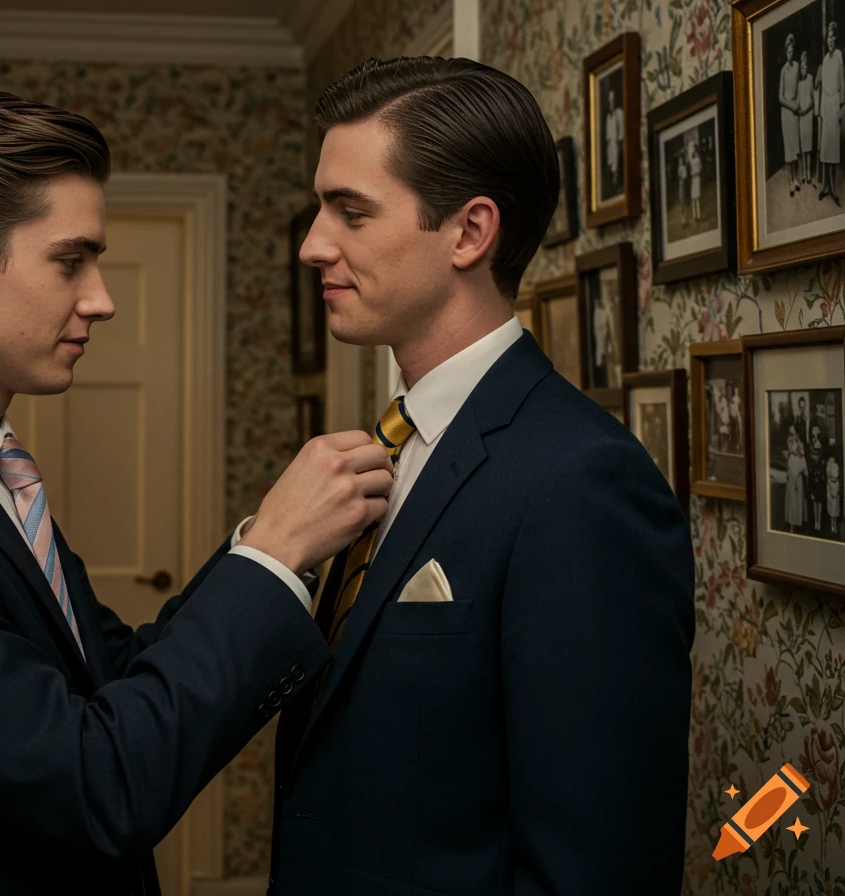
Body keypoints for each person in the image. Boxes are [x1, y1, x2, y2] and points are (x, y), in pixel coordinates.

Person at [0, 89, 397, 896]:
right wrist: (271, 557)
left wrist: (268, 544)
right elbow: (97, 786)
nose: (101, 298)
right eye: (71, 260)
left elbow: (112, 671)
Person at [269, 57, 695, 895]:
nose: (313, 244)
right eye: (322, 207)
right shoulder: (385, 447)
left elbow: (595, 867)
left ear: (469, 233)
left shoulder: (583, 483)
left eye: (351, 212)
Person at [820, 22, 844, 205]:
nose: (830, 39)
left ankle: (834, 190)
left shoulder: (838, 56)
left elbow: (842, 81)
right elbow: (821, 87)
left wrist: (842, 105)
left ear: (836, 38)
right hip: (825, 105)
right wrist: (821, 110)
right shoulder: (824, 60)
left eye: (832, 36)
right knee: (826, 148)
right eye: (828, 36)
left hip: (835, 102)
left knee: (834, 150)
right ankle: (826, 187)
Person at [781, 33, 802, 196]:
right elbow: (779, 97)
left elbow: (799, 86)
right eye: (788, 51)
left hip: (795, 109)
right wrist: (792, 105)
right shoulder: (783, 70)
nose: (790, 54)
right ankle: (789, 181)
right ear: (785, 52)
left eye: (792, 51)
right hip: (787, 111)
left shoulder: (796, 66)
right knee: (788, 147)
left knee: (795, 147)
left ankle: (796, 179)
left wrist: (799, 104)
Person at [799, 51, 816, 188]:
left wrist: (807, 109)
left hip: (808, 115)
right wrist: (799, 111)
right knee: (803, 146)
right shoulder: (798, 82)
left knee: (808, 146)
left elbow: (813, 98)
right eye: (801, 67)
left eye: (805, 67)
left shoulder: (810, 78)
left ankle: (809, 173)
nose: (803, 69)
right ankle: (803, 173)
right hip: (801, 116)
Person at [786, 428, 808, 533]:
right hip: (792, 483)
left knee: (799, 502)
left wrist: (802, 470)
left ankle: (799, 525)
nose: (794, 446)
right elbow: (790, 471)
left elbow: (805, 470)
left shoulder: (800, 457)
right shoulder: (791, 458)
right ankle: (791, 526)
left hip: (799, 482)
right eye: (792, 444)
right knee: (792, 503)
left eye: (796, 443)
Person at [605, 87, 623, 191]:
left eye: (613, 100)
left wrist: (620, 140)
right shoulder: (608, 117)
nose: (611, 103)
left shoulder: (619, 113)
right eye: (610, 101)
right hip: (611, 143)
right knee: (611, 162)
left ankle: (617, 182)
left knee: (617, 162)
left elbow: (621, 128)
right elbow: (608, 134)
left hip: (617, 142)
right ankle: (613, 183)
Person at [688, 138, 704, 223]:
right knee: (693, 197)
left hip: (697, 178)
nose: (692, 150)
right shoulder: (691, 159)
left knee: (697, 197)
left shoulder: (698, 158)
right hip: (693, 179)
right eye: (691, 148)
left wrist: (696, 172)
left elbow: (700, 168)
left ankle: (698, 215)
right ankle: (694, 215)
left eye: (693, 148)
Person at [827, 446, 841, 536]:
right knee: (831, 508)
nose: (832, 459)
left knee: (835, 509)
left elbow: (836, 477)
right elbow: (829, 478)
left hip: (835, 488)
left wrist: (837, 489)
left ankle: (834, 525)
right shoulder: (828, 466)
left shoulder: (836, 465)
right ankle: (832, 525)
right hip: (830, 489)